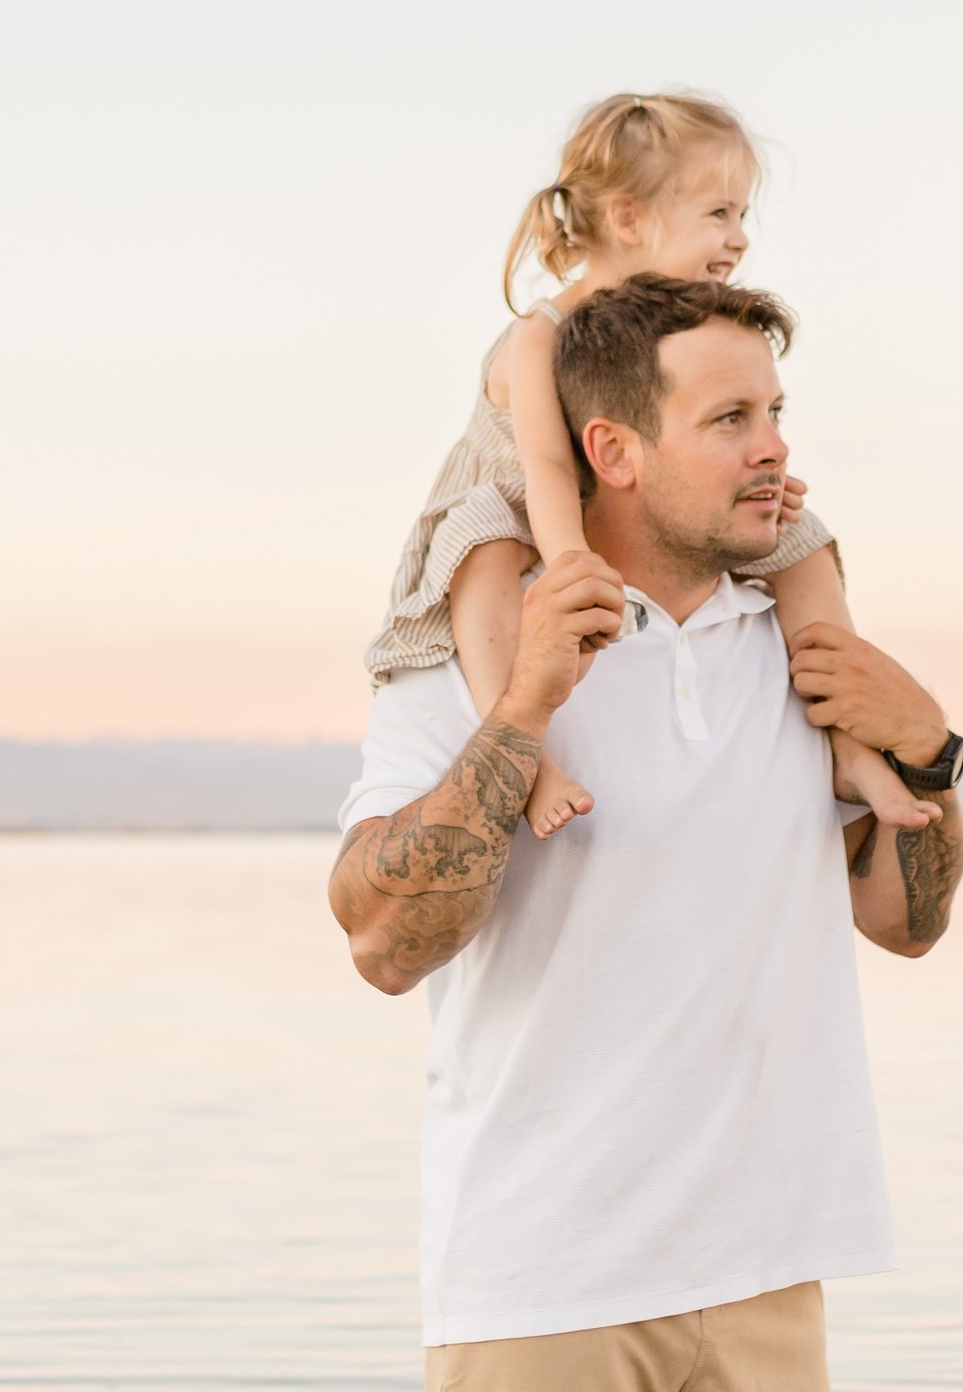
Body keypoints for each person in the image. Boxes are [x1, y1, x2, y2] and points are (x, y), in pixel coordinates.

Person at [330, 272, 963, 1392]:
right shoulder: (471, 666)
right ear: (608, 446)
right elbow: (383, 939)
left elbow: (906, 924)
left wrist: (935, 764)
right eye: (733, 420)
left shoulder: (793, 656)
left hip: (767, 1258)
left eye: (778, 413)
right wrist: (527, 705)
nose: (779, 455)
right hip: (551, 1273)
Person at [365, 88, 934, 843]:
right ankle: (526, 759)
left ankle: (852, 746)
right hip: (521, 501)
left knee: (804, 539)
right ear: (630, 220)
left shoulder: (669, 332)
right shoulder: (540, 336)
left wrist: (756, 488)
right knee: (483, 539)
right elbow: (544, 466)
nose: (739, 238)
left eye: (743, 216)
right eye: (718, 214)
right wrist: (571, 570)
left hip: (610, 495)